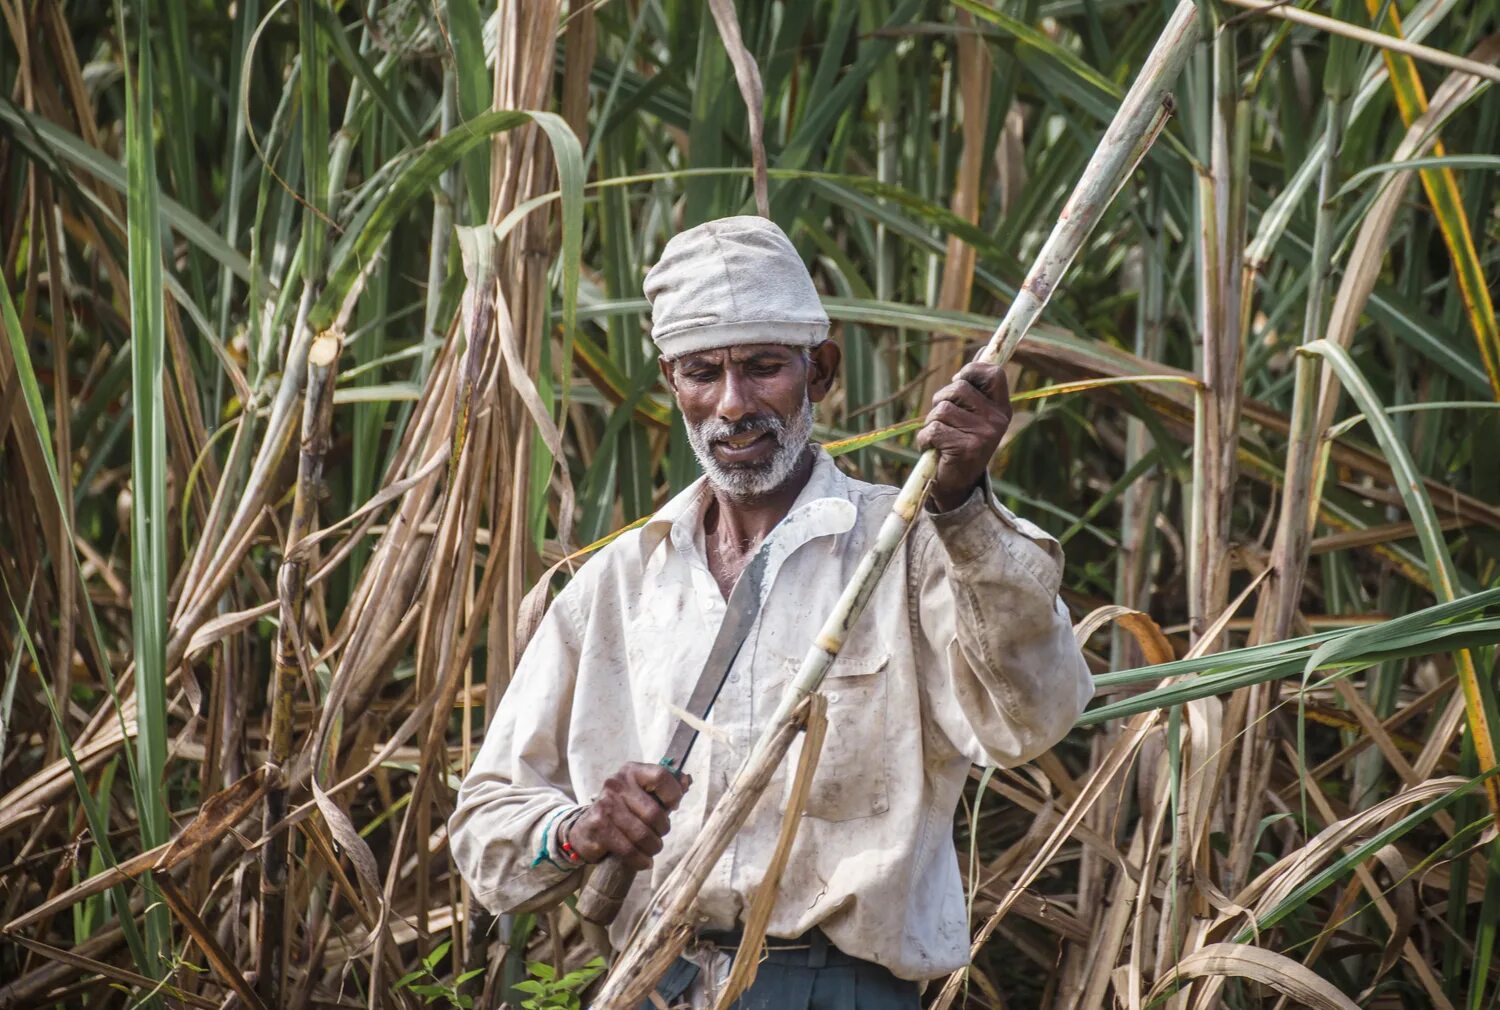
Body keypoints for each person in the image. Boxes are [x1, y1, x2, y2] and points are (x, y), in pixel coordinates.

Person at [450, 216, 1093, 1009]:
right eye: (702, 373)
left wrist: (960, 502)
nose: (732, 405)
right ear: (670, 384)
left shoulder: (913, 548)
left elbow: (1033, 717)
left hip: (841, 993)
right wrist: (580, 830)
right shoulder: (616, 585)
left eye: (762, 368)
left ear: (819, 371)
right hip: (652, 986)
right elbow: (485, 826)